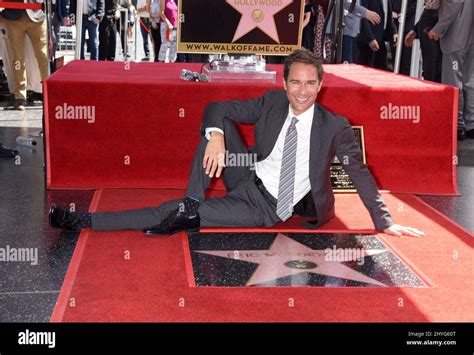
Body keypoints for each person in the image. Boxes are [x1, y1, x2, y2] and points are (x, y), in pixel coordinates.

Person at [49, 49, 424, 238]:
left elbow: (359, 172)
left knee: (166, 209)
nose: (303, 91)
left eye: (311, 83)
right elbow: (217, 106)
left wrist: (385, 222)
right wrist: (214, 138)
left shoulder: (334, 126)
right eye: (295, 82)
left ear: (321, 85)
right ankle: (191, 202)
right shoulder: (272, 102)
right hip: (247, 174)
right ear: (284, 83)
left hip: (268, 208)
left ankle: (84, 221)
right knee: (218, 125)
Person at [426, 0, 474, 141]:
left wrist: (438, 29)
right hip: (469, 36)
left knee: (454, 83)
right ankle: (470, 124)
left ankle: (458, 125)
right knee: (469, 82)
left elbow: (453, 4)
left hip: (457, 37)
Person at [1, 0, 49, 110]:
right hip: (12, 16)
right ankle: (20, 97)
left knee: (43, 57)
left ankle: (48, 92)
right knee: (17, 59)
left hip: (36, 15)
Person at [404, 0, 442, 83]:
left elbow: (451, 10)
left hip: (442, 23)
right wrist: (415, 29)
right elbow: (430, 8)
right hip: (430, 18)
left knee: (437, 68)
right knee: (430, 67)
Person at [356, 0, 398, 71]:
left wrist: (394, 32)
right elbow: (362, 16)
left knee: (381, 70)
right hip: (367, 41)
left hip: (381, 39)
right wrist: (370, 39)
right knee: (365, 71)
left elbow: (388, 16)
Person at [390, 0, 417, 75]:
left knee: (406, 61)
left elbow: (415, 6)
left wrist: (400, 15)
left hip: (408, 29)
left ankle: (405, 84)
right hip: (394, 28)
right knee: (395, 60)